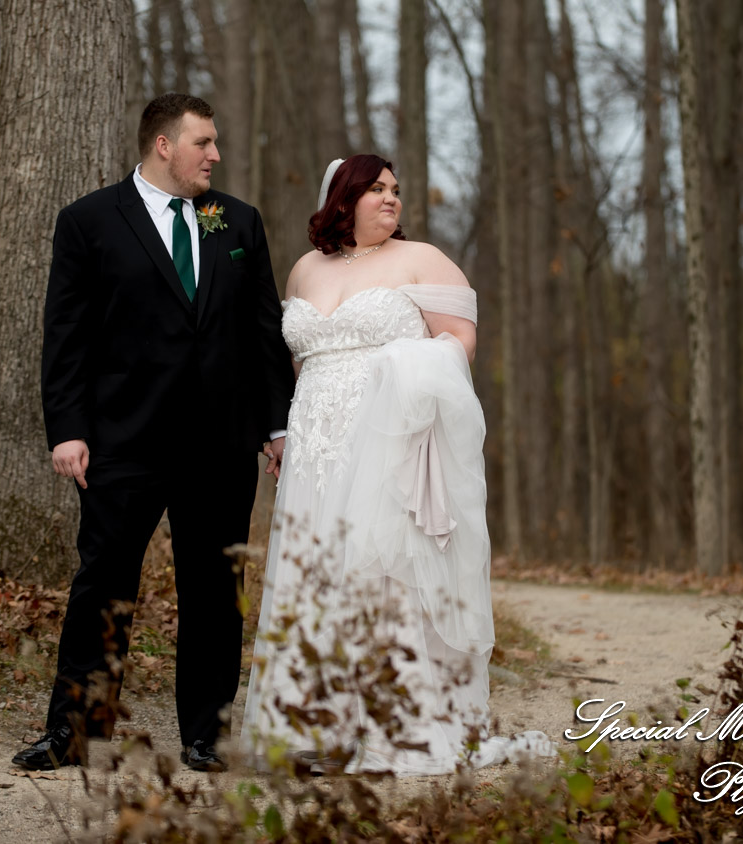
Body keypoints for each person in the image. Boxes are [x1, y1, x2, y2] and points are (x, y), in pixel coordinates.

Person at [242, 155, 553, 775]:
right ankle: (312, 724)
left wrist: (406, 376)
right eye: (377, 189)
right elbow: (300, 360)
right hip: (316, 447)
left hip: (386, 439)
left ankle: (385, 726)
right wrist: (289, 430)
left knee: (377, 575)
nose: (391, 199)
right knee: (314, 572)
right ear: (343, 197)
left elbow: (458, 343)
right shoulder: (306, 269)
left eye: (396, 190)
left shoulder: (422, 259)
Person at [14, 93, 294, 773]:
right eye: (204, 142)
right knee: (104, 586)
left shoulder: (238, 222)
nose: (215, 156)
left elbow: (262, 334)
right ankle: (76, 730)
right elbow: (66, 336)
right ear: (163, 145)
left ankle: (207, 733)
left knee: (214, 594)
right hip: (122, 441)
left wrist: (277, 425)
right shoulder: (88, 222)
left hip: (222, 445)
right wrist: (68, 430)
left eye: (216, 143)